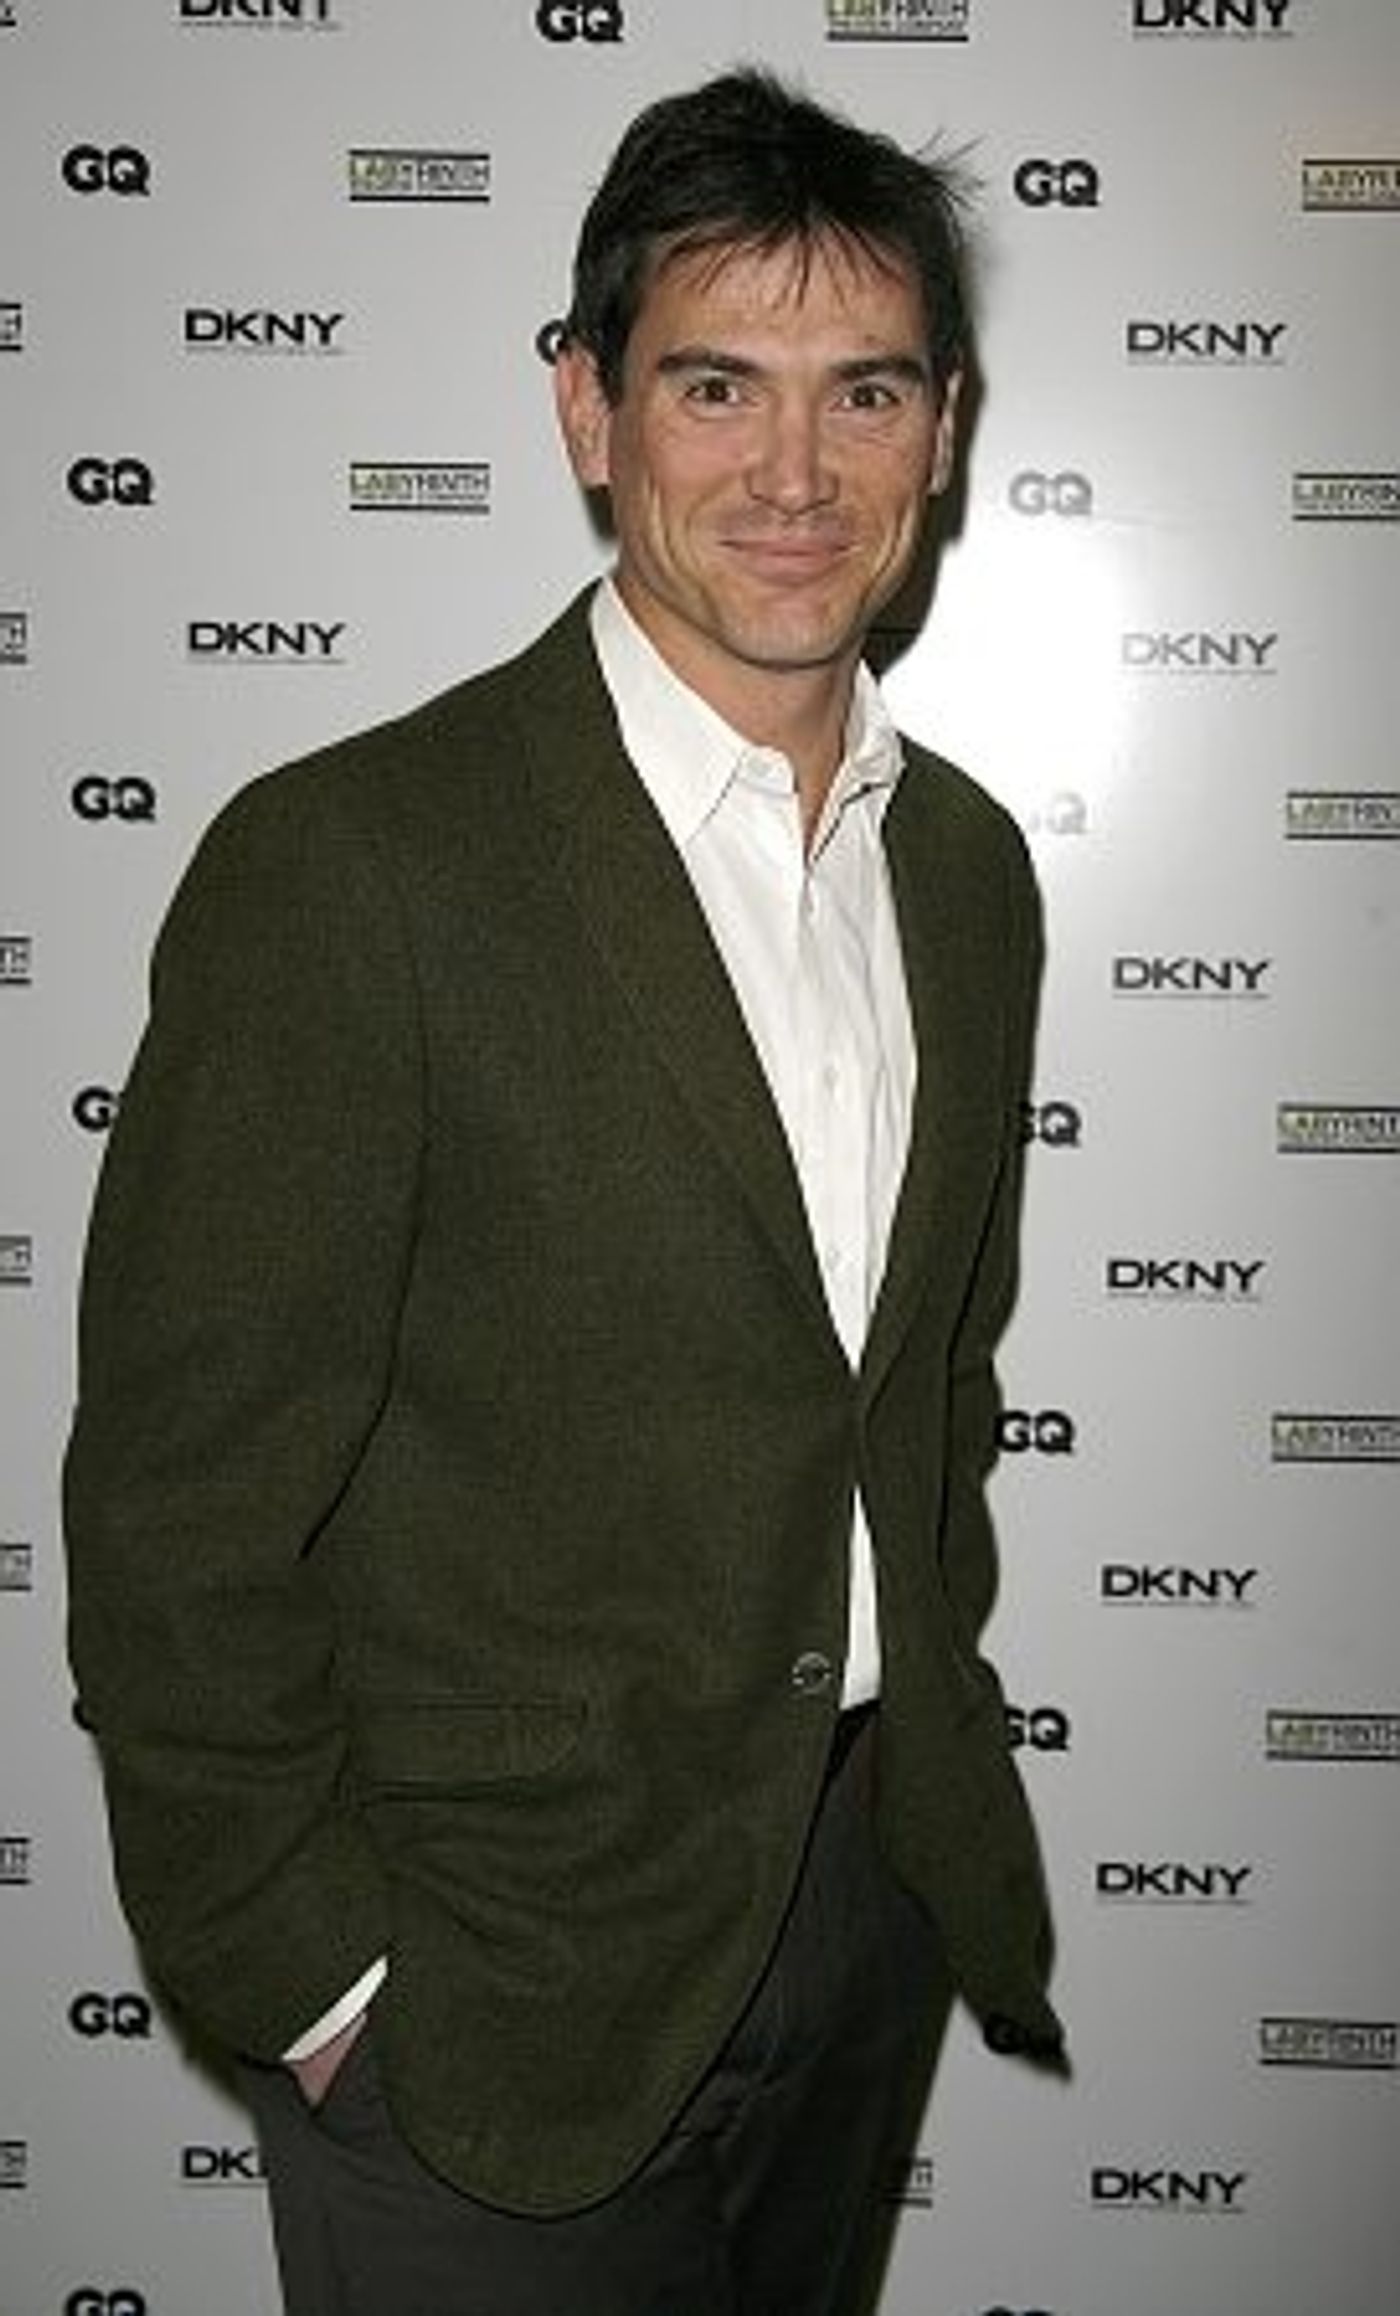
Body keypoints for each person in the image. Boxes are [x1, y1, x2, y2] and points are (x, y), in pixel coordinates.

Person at [64, 66, 1061, 2316]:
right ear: (589, 412)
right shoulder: (353, 867)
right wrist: (319, 1984)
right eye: (716, 386)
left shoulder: (968, 871)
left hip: (858, 1912)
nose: (795, 474)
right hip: (482, 1982)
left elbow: (921, 1394)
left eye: (862, 390)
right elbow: (178, 1515)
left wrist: (901, 1819)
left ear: (942, 429)